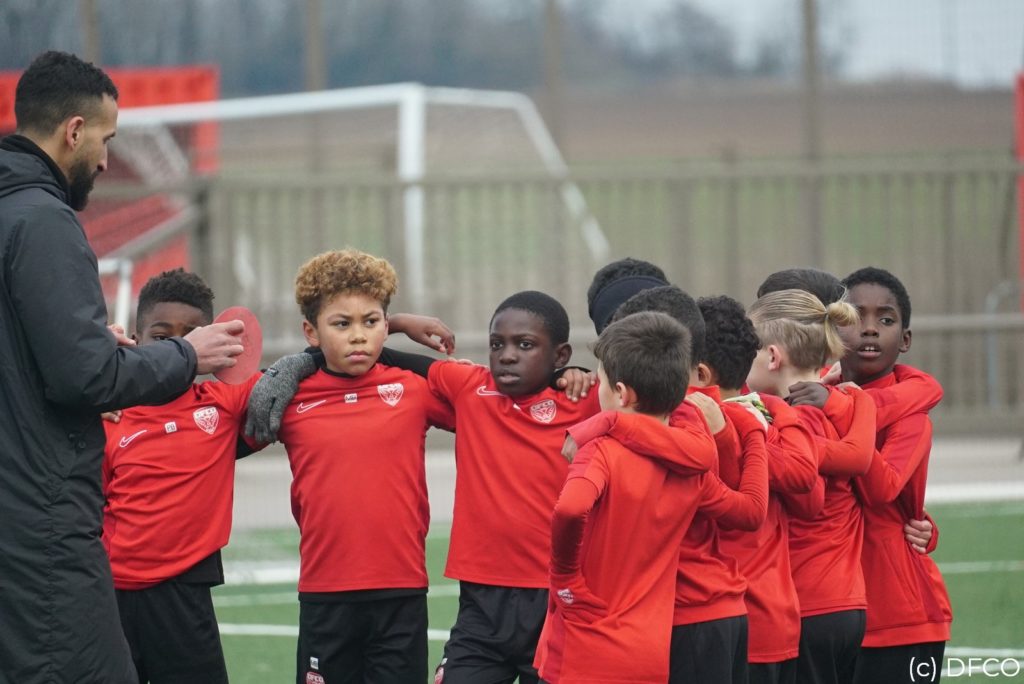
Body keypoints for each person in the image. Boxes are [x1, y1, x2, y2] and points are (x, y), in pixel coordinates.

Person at [245, 288, 717, 683]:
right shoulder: (470, 388)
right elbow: (368, 353)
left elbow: (667, 404)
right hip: (481, 605)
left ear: (561, 357)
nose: (507, 355)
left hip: (557, 603)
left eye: (525, 345)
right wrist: (390, 325)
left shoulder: (588, 398)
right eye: (497, 344)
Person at [0, 51, 243, 684]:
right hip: (36, 519)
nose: (108, 159)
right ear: (74, 131)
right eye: (106, 139)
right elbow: (83, 378)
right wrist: (188, 355)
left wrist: (89, 348)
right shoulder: (43, 220)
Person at [534, 311, 758, 683]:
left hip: (583, 652)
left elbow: (571, 508)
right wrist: (754, 437)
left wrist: (564, 578)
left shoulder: (602, 452)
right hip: (648, 656)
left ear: (621, 393)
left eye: (602, 382)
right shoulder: (692, 466)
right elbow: (749, 512)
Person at [267, 249, 455, 684]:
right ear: (310, 332)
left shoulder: (413, 388)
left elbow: (492, 405)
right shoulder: (287, 395)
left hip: (402, 590)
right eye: (342, 324)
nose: (358, 337)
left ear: (386, 327)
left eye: (371, 322)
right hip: (325, 595)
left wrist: (568, 376)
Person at [102, 269, 263, 684]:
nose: (179, 345)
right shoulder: (105, 417)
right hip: (108, 598)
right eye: (163, 336)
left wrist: (397, 329)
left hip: (185, 596)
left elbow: (318, 372)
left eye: (191, 335)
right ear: (136, 340)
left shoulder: (225, 405)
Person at [823, 268, 952, 684]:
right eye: (856, 317)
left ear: (906, 339)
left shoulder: (911, 417)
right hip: (827, 611)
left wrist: (845, 413)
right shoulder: (812, 397)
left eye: (886, 320)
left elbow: (883, 490)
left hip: (900, 618)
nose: (870, 330)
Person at [745, 289, 877, 684]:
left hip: (807, 605)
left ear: (772, 357)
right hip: (845, 602)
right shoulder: (842, 405)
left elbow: (809, 497)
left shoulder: (791, 422)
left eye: (747, 350)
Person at [698, 294, 818, 684]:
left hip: (732, 625)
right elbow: (810, 493)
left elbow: (802, 475)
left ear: (700, 374)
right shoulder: (767, 417)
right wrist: (780, 411)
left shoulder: (714, 425)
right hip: (775, 618)